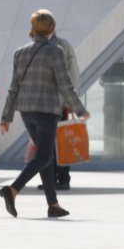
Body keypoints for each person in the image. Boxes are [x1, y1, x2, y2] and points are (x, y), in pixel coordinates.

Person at [0, 10, 90, 219]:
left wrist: (6, 118)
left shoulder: (20, 52)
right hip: (47, 111)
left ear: (33, 28)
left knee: (44, 156)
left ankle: (53, 204)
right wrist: (80, 109)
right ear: (52, 29)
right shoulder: (55, 52)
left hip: (26, 112)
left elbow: (13, 88)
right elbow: (65, 84)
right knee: (45, 155)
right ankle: (12, 190)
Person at [37, 33, 80, 191]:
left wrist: (70, 102)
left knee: (61, 143)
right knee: (46, 144)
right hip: (43, 104)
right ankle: (50, 179)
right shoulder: (37, 46)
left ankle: (63, 178)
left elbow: (73, 74)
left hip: (60, 104)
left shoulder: (63, 45)